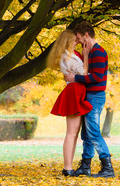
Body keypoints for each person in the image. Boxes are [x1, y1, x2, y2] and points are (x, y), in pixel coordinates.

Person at [64, 21, 115, 178]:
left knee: (93, 133)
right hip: (90, 96)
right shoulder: (90, 52)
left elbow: (97, 77)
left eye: (78, 38)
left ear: (86, 35)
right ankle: (85, 166)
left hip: (95, 97)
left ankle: (107, 168)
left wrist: (75, 78)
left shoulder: (98, 52)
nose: (78, 41)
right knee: (86, 134)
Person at [47, 29, 93, 177]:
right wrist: (86, 55)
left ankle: (68, 166)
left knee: (74, 133)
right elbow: (84, 73)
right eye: (74, 40)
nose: (77, 42)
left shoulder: (70, 56)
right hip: (74, 92)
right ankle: (67, 168)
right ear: (68, 42)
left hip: (76, 91)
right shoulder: (69, 58)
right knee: (72, 133)